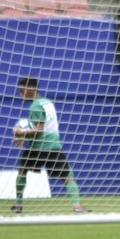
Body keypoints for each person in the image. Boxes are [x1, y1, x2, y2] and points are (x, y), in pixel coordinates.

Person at [12, 77, 89, 214]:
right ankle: (77, 206)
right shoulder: (47, 102)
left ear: (31, 89)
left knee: (23, 171)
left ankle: (19, 203)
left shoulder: (35, 106)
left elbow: (39, 131)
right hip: (54, 145)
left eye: (22, 90)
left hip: (38, 148)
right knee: (68, 176)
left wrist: (21, 133)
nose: (20, 94)